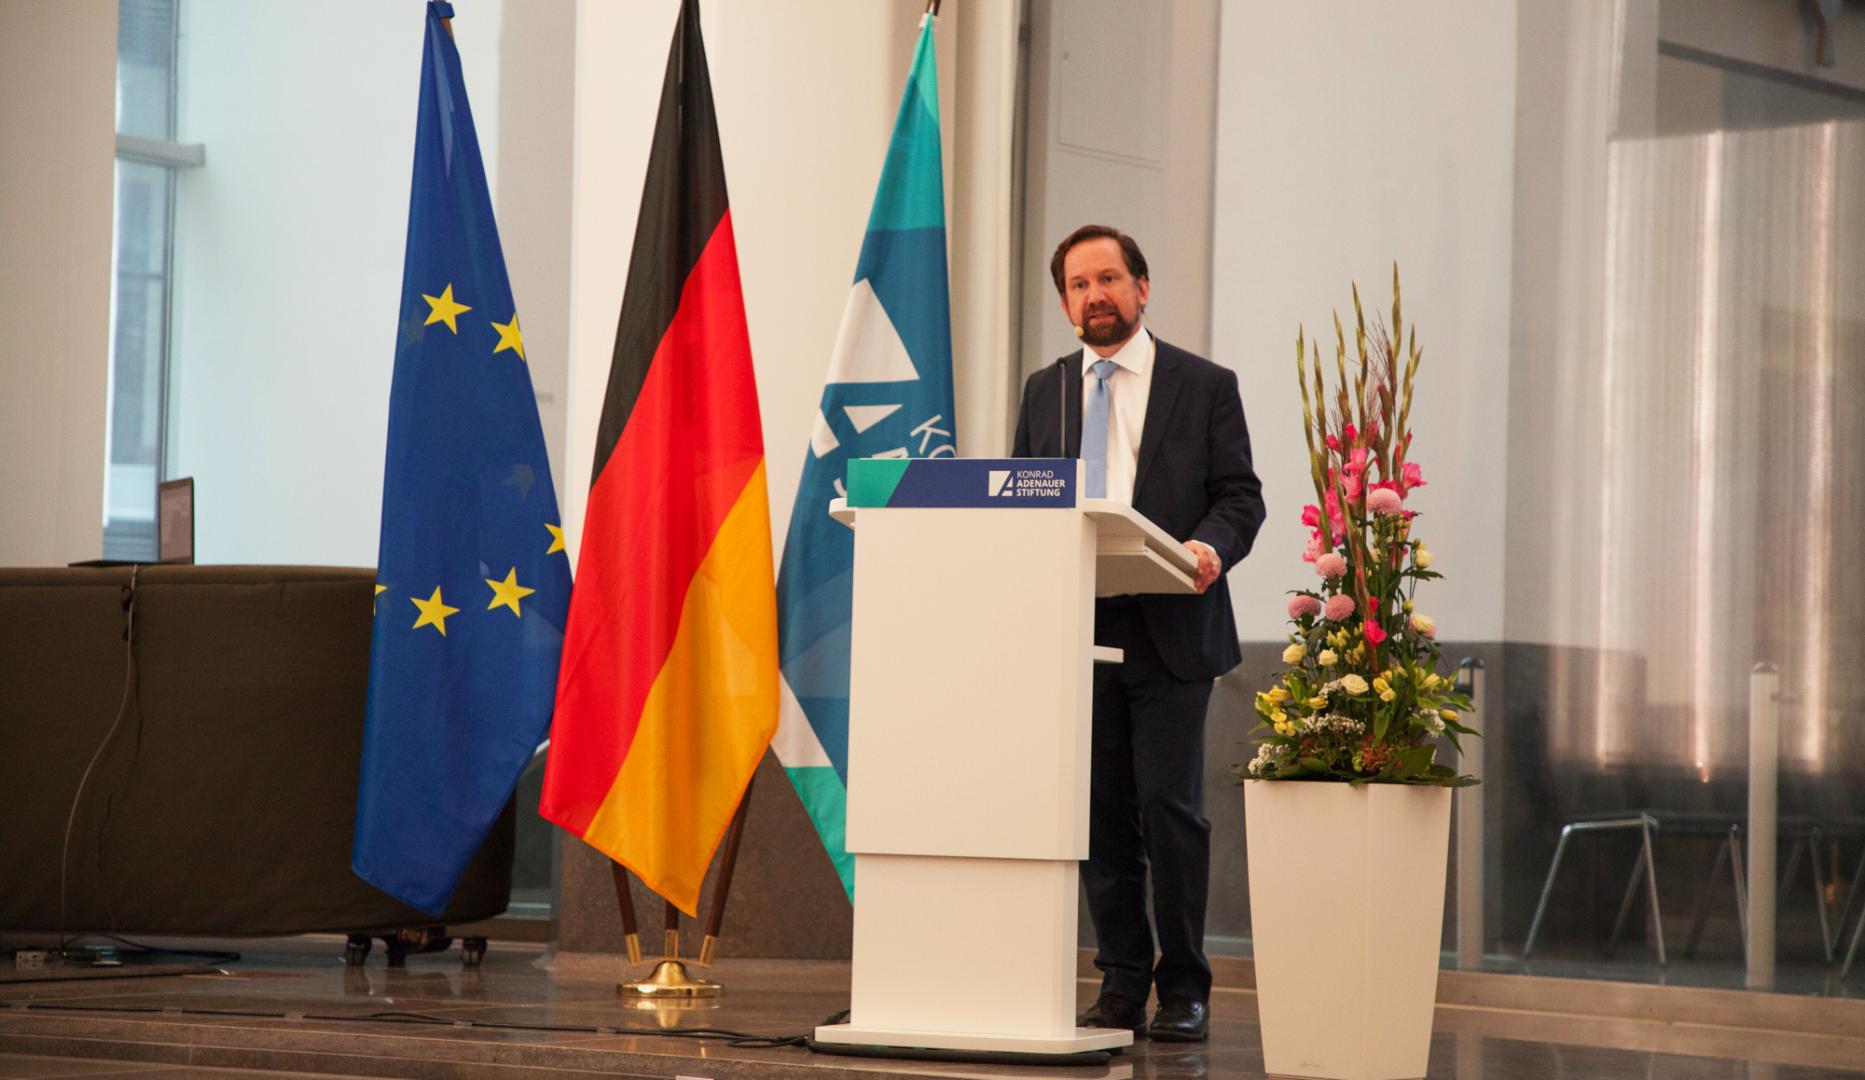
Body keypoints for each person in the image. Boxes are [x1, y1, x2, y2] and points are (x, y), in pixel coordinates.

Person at [1012, 224, 1265, 1043]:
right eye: (1078, 284)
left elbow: (1239, 495)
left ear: (1141, 288)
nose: (1095, 295)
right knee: (1099, 815)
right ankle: (1120, 982)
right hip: (1077, 627)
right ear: (1064, 303)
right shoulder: (1045, 390)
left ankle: (1183, 986)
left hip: (1172, 622)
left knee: (1168, 808)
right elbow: (1020, 501)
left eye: (1109, 278)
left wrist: (1208, 548)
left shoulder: (1204, 385)